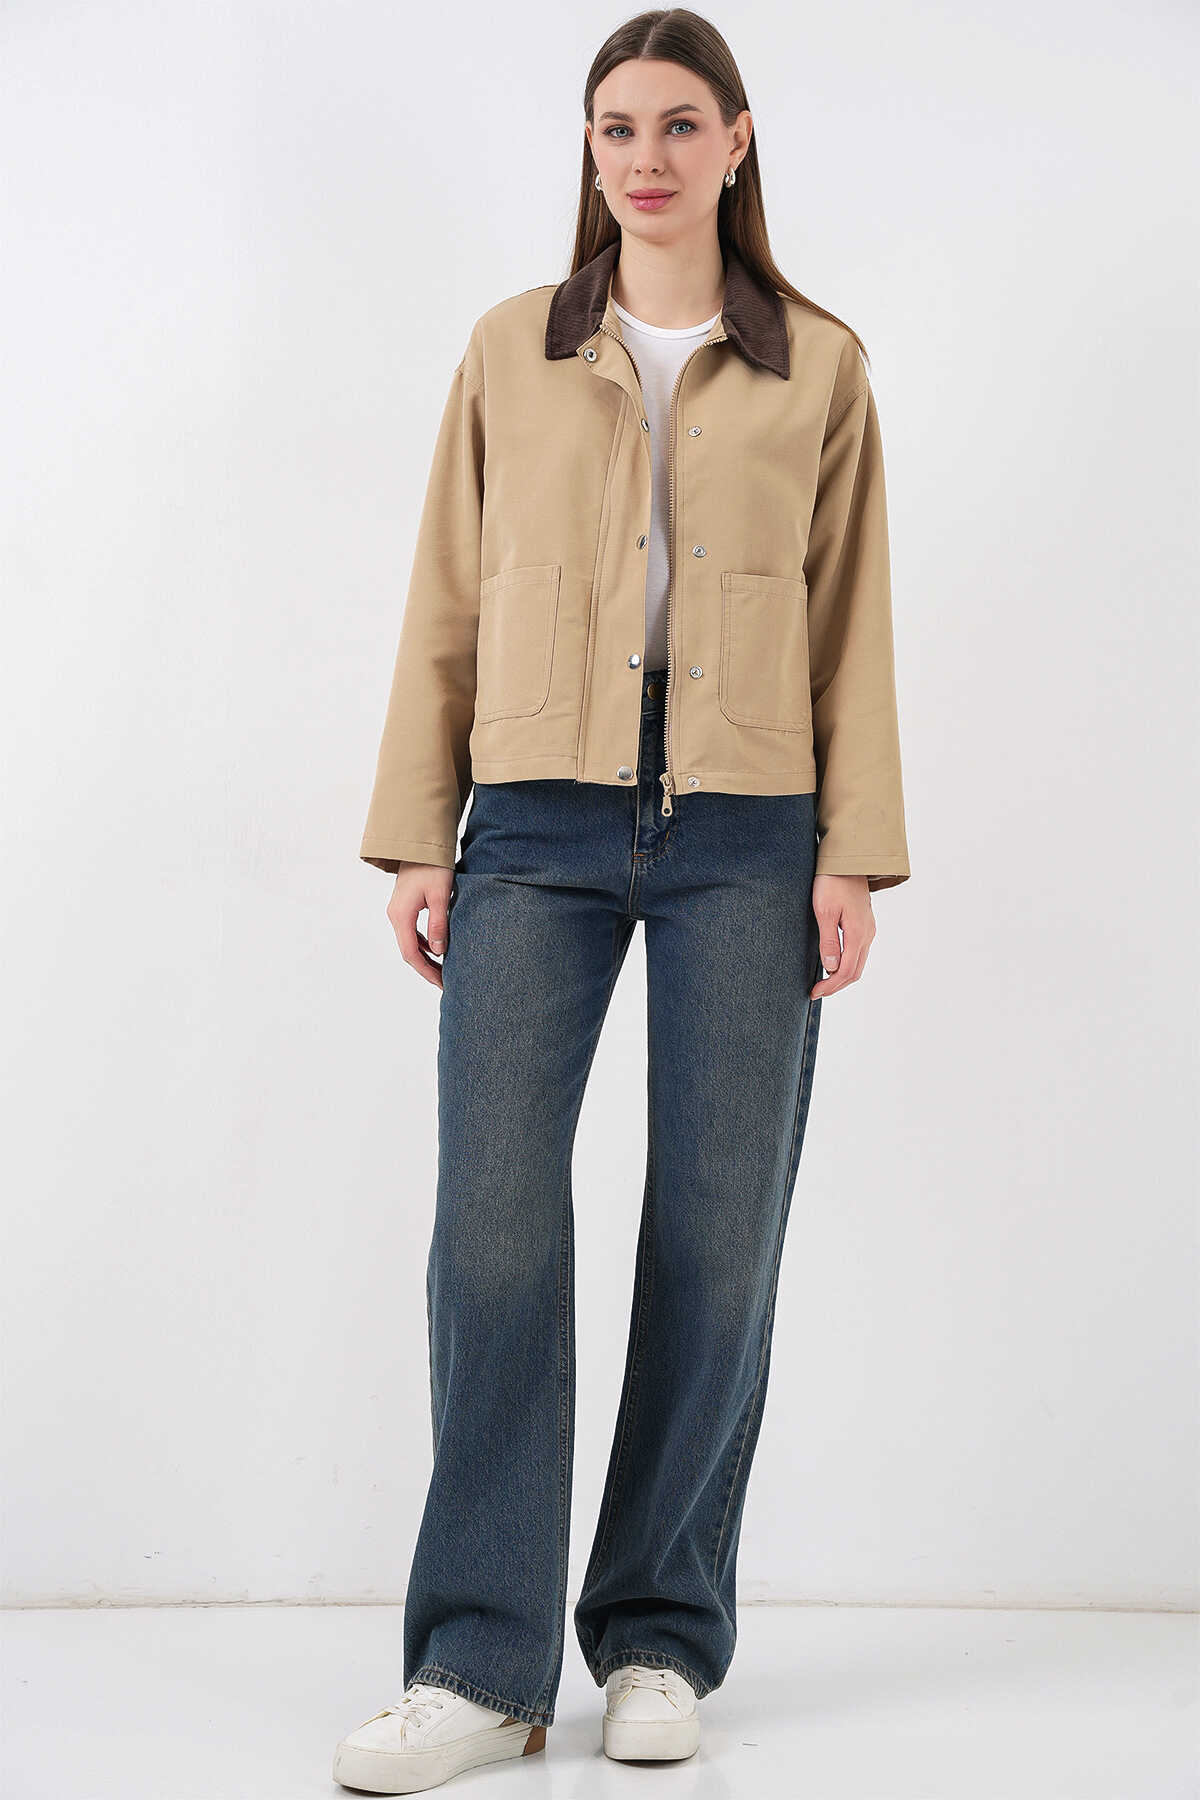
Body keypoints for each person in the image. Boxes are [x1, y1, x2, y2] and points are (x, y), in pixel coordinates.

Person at [333, 8, 910, 1791]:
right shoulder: (515, 347)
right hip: (534, 820)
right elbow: (447, 591)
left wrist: (850, 849)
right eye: (613, 127)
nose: (643, 157)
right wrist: (421, 830)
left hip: (751, 829)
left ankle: (658, 1637)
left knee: (717, 1238)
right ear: (588, 152)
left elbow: (852, 619)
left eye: (675, 123)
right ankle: (479, 1666)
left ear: (737, 141)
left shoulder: (819, 362)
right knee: (495, 1233)